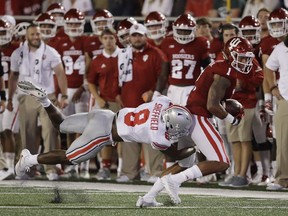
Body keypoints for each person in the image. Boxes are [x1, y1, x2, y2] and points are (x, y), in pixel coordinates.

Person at [15, 81, 195, 181]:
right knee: (70, 157)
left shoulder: (162, 103)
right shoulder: (158, 135)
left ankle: (45, 101)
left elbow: (168, 103)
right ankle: (28, 159)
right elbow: (176, 154)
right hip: (103, 133)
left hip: (104, 115)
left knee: (61, 125)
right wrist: (195, 148)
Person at [160, 36, 255, 204]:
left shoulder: (222, 66)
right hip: (200, 117)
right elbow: (212, 105)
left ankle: (149, 195)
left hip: (192, 114)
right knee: (221, 162)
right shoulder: (225, 72)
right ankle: (175, 180)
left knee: (184, 162)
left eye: (248, 57)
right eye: (243, 57)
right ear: (231, 55)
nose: (246, 61)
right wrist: (233, 119)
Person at [8, 24, 68, 180]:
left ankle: (51, 169)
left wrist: (64, 95)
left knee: (50, 132)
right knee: (27, 133)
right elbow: (13, 76)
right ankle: (27, 170)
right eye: (33, 34)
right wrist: (9, 97)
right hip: (26, 96)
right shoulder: (18, 53)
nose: (36, 37)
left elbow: (60, 73)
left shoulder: (51, 52)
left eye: (38, 34)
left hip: (47, 95)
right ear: (27, 36)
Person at [264, 11, 288, 190]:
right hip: (285, 99)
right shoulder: (280, 48)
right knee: (282, 141)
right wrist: (272, 88)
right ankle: (283, 178)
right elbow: (269, 67)